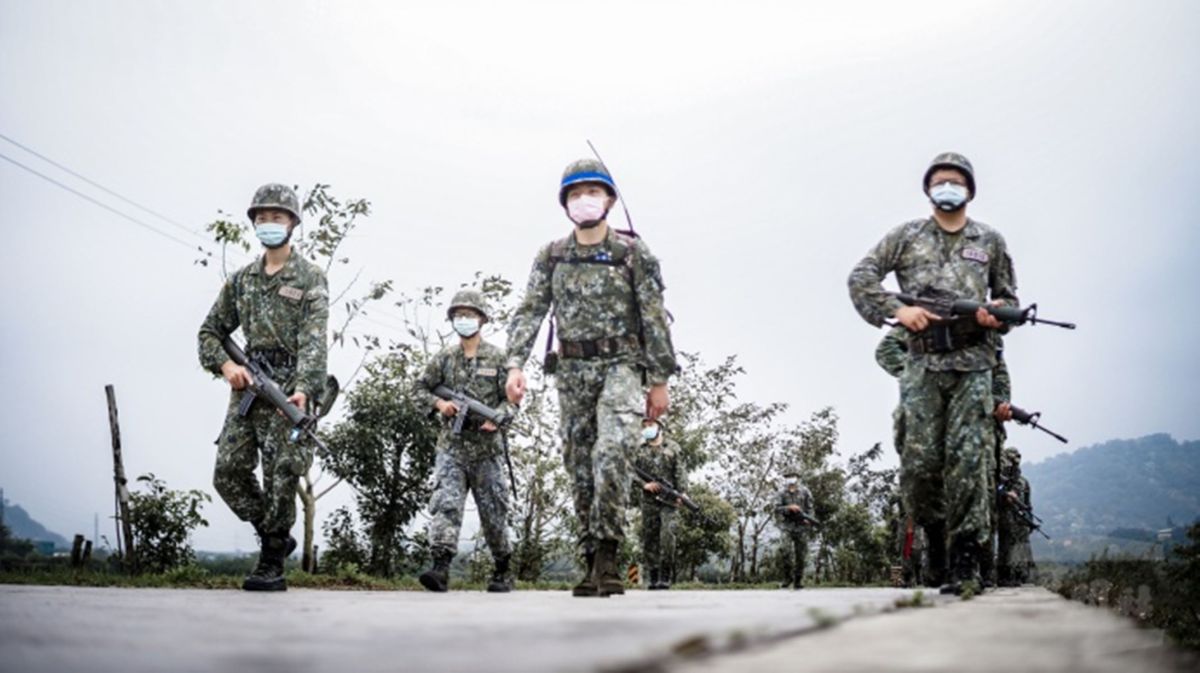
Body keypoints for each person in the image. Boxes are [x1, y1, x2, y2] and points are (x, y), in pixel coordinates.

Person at [504, 158, 677, 597]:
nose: (585, 200)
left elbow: (654, 316)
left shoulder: (633, 254)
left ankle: (609, 556)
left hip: (623, 366)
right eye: (576, 193)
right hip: (572, 370)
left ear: (610, 200)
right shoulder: (552, 255)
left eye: (593, 191)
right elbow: (531, 309)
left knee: (613, 449)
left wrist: (659, 379)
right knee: (579, 464)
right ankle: (589, 560)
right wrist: (514, 364)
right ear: (565, 204)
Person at [849, 152, 1019, 594]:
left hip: (974, 365)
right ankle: (938, 542)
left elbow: (1008, 298)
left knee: (969, 461)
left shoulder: (989, 240)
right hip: (922, 366)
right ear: (928, 189)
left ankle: (966, 559)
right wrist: (898, 310)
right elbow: (861, 277)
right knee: (920, 467)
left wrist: (996, 314)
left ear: (970, 190)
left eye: (956, 182)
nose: (948, 188)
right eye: (940, 181)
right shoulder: (906, 236)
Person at [198, 183, 329, 592]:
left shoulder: (310, 277)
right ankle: (272, 532)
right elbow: (210, 331)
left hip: (288, 388)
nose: (269, 223)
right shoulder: (242, 280)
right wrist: (226, 365)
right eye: (262, 217)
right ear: (254, 223)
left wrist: (305, 389)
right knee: (228, 472)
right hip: (248, 386)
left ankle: (272, 560)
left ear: (293, 223)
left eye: (278, 217)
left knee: (282, 474)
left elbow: (314, 340)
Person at [415, 289, 517, 593]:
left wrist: (498, 418)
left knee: (494, 511)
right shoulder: (444, 358)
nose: (464, 320)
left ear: (482, 319)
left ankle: (502, 569)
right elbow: (418, 388)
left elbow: (512, 400)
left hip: (487, 449)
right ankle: (440, 568)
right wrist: (439, 404)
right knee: (446, 504)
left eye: (470, 315)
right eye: (459, 315)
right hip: (452, 447)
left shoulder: (498, 358)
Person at [635, 418, 684, 590]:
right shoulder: (639, 450)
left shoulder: (673, 447)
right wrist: (644, 484)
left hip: (669, 500)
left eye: (650, 425)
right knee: (650, 539)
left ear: (660, 427)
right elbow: (629, 471)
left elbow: (680, 471)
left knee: (668, 536)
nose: (647, 428)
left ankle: (665, 576)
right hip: (649, 501)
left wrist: (682, 492)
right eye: (644, 426)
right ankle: (654, 577)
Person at [997, 447, 1035, 586]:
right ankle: (1004, 576)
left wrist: (1029, 519)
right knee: (1005, 547)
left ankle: (1022, 575)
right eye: (1012, 458)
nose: (1015, 462)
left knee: (1022, 547)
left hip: (1020, 521)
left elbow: (1028, 503)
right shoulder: (1000, 481)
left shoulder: (1023, 482)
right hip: (1005, 519)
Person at [773, 470, 816, 589]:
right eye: (788, 476)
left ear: (797, 478)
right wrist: (789, 508)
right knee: (785, 551)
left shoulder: (805, 491)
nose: (791, 478)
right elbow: (777, 509)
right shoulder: (781, 493)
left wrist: (809, 519)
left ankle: (798, 580)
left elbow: (810, 508)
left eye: (793, 476)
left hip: (802, 526)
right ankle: (787, 578)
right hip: (786, 526)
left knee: (801, 554)